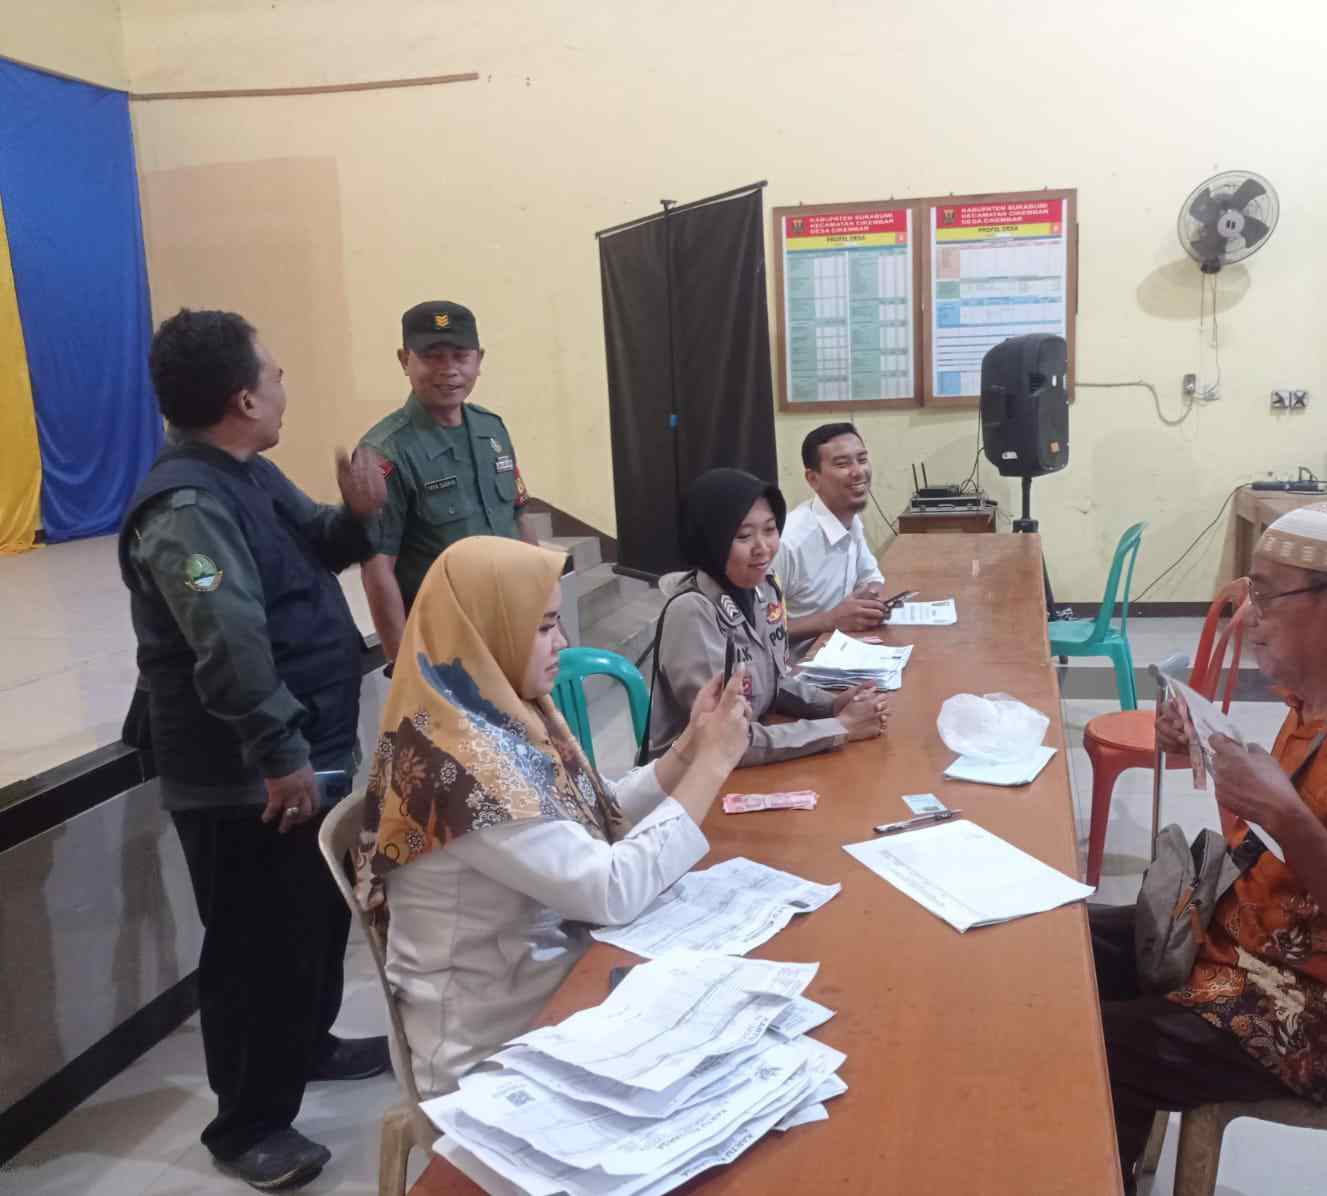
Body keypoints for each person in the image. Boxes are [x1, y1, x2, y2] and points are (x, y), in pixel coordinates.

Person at [1088, 502, 1327, 1192]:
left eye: (1268, 596)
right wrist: (1205, 750)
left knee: (1091, 1050)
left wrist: (1285, 813)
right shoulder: (1321, 702)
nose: (1250, 618)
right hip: (1242, 945)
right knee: (1063, 950)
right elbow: (1272, 842)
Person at [119, 309, 392, 1192]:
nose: (283, 386)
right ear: (242, 397)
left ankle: (308, 1045)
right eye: (273, 375)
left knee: (312, 923)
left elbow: (317, 541)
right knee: (253, 948)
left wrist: (357, 516)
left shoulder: (247, 471)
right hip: (244, 778)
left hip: (306, 749)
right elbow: (228, 643)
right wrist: (278, 752)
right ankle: (246, 1125)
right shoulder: (187, 509)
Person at [353, 537, 751, 1094]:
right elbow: (611, 890)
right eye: (543, 627)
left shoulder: (490, 709)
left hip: (544, 980)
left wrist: (689, 747)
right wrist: (712, 765)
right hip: (490, 1047)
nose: (562, 641)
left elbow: (597, 805)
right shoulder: (461, 770)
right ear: (486, 628)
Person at [645, 467, 889, 766]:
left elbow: (772, 681)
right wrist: (840, 727)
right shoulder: (692, 612)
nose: (762, 548)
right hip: (689, 777)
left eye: (770, 530)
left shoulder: (763, 588)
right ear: (710, 539)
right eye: (743, 536)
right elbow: (724, 739)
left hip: (741, 762)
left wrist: (831, 704)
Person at [359, 300, 543, 664]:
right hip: (446, 646)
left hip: (512, 625)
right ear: (404, 360)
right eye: (432, 357)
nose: (449, 370)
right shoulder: (384, 452)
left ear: (479, 359)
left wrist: (543, 610)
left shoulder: (492, 429)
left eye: (460, 356)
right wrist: (402, 665)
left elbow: (519, 519)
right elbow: (378, 569)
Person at [777, 422, 887, 649]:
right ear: (813, 479)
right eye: (842, 464)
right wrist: (830, 620)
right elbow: (753, 631)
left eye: (862, 459)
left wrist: (868, 600)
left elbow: (871, 578)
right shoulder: (788, 543)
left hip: (840, 651)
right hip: (795, 665)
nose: (858, 472)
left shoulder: (850, 520)